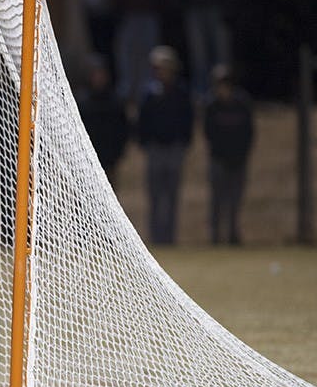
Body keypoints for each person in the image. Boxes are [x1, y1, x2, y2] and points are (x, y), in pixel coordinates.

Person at [137, 46, 193, 245]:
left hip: (174, 149)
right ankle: (155, 238)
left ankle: (169, 238)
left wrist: (184, 142)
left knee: (171, 197)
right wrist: (145, 142)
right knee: (155, 197)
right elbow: (142, 121)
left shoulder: (181, 92)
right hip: (155, 149)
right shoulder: (149, 93)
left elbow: (188, 120)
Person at [203, 64, 254, 245]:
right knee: (217, 202)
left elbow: (249, 133)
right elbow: (208, 134)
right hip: (218, 161)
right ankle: (215, 237)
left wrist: (241, 154)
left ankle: (233, 235)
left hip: (238, 160)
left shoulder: (242, 104)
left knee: (235, 201)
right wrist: (219, 154)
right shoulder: (212, 105)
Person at [74, 54, 129, 187]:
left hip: (109, 160)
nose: (98, 78)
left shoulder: (115, 101)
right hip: (86, 161)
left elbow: (122, 129)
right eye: (95, 74)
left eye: (101, 74)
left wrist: (117, 153)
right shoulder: (81, 102)